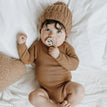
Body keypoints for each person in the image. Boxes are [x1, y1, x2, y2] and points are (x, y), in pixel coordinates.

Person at [17, 2, 84, 107]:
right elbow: (27, 59)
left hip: (64, 87)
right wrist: (21, 45)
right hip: (45, 91)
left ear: (65, 36)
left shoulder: (66, 47)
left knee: (79, 90)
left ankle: (68, 104)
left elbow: (74, 65)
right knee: (33, 97)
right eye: (47, 29)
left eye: (58, 32)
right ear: (40, 30)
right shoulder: (38, 46)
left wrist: (59, 56)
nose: (51, 35)